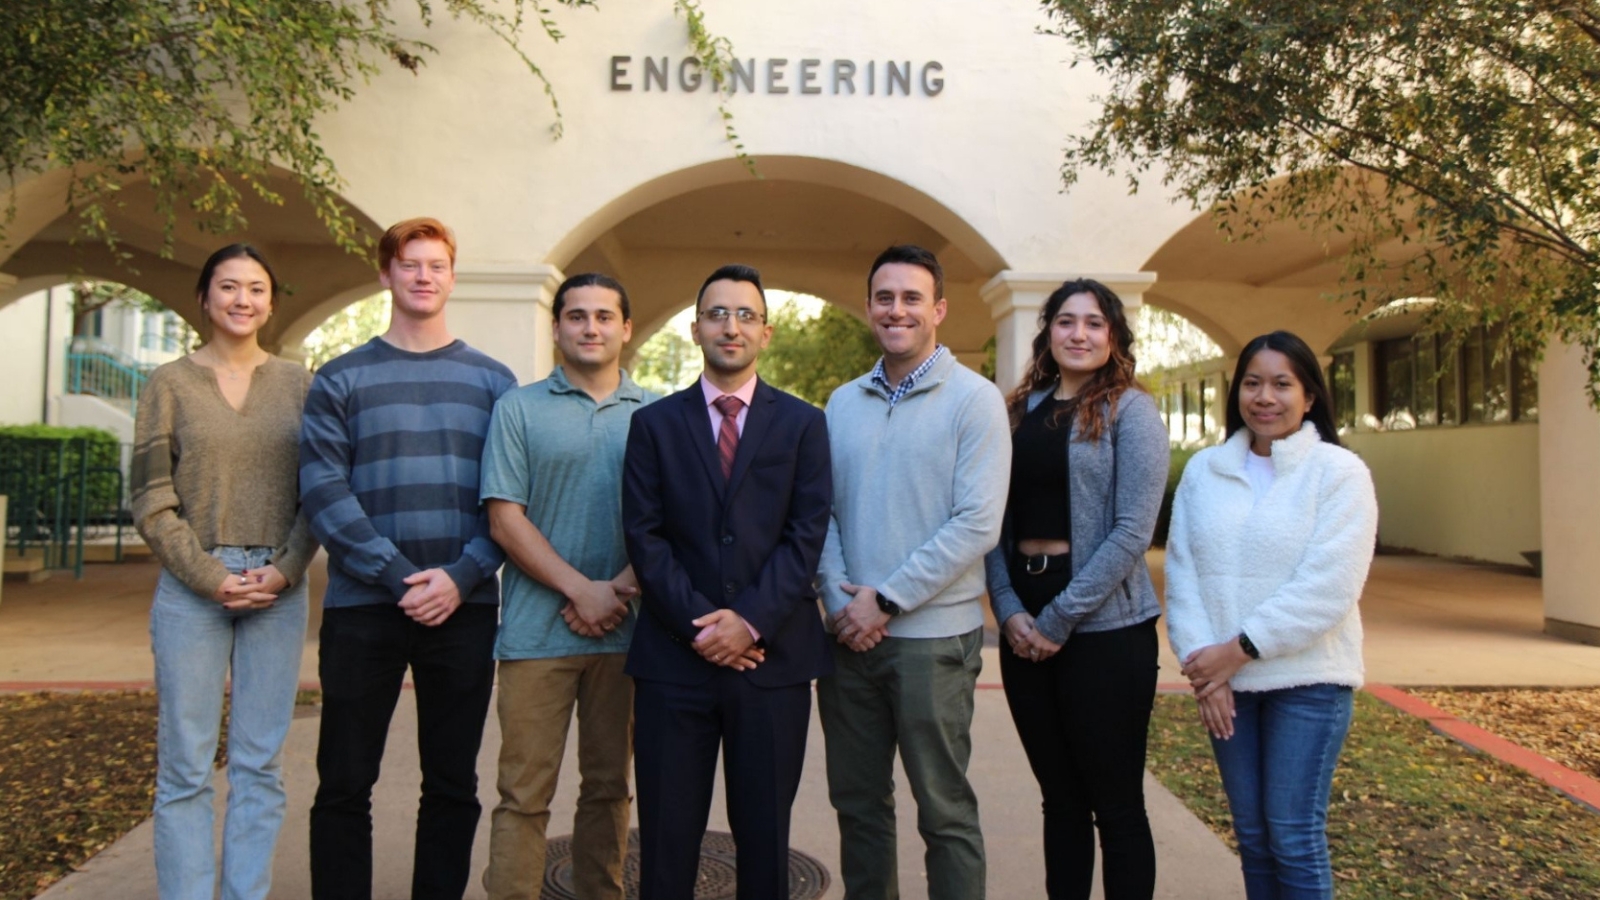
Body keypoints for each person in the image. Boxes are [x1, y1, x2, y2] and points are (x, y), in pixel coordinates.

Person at [300, 217, 517, 900]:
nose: (424, 276)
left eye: (437, 265)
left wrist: (461, 576)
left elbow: (510, 497)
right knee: (343, 781)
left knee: (453, 784)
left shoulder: (493, 381)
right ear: (385, 274)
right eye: (410, 264)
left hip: (465, 608)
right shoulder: (339, 378)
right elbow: (322, 490)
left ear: (452, 277)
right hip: (364, 609)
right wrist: (399, 578)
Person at [621, 264, 833, 900]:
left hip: (772, 665)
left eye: (745, 314)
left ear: (765, 333)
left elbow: (806, 535)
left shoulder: (803, 425)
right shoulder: (653, 425)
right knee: (665, 839)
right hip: (672, 663)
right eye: (717, 313)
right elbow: (645, 536)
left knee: (766, 841)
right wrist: (703, 627)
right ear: (695, 328)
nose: (730, 325)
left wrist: (748, 622)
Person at [817, 244, 1010, 900]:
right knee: (858, 805)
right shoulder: (840, 403)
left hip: (932, 643)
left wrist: (887, 600)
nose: (895, 310)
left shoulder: (974, 402)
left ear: (939, 311)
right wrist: (841, 603)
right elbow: (823, 515)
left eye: (911, 298)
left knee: (944, 810)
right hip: (848, 641)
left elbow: (977, 524)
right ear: (869, 306)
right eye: (884, 297)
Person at [131, 243, 318, 900]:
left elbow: (317, 491)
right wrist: (209, 576)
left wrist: (288, 570)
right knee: (185, 767)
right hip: (191, 591)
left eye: (256, 288)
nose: (243, 300)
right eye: (229, 287)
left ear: (270, 301)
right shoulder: (169, 384)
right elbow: (150, 498)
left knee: (260, 765)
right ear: (205, 298)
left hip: (276, 589)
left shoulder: (299, 384)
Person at [1164, 330, 1378, 900]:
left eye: (1282, 384)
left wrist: (1235, 653)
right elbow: (1183, 577)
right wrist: (1203, 667)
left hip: (1308, 682)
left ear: (1309, 396)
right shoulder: (1205, 472)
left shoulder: (1340, 473)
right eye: (1253, 383)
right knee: (1253, 837)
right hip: (1226, 684)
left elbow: (1329, 586)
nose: (1266, 397)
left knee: (1293, 835)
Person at [982, 279, 1169, 900]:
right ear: (1049, 332)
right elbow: (994, 523)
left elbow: (1132, 530)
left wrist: (1058, 620)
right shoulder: (1019, 410)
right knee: (1059, 800)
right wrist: (1008, 609)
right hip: (1022, 618)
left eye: (1094, 323)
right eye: (1067, 321)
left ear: (1112, 335)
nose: (1079, 334)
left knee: (1114, 805)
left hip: (1106, 628)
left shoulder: (1131, 410)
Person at [479, 273, 657, 900]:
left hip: (628, 637)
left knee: (609, 788)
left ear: (626, 328)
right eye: (576, 316)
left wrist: (620, 589)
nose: (590, 327)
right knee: (523, 795)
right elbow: (505, 518)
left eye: (604, 316)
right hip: (535, 636)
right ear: (556, 327)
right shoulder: (518, 408)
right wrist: (582, 590)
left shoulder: (657, 415)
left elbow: (671, 522)